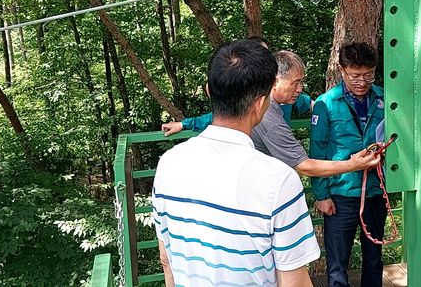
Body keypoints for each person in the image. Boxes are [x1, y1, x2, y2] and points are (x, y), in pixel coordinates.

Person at [151, 40, 320, 287]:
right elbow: (295, 283)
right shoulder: (279, 180)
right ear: (261, 104)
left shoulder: (168, 164)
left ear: (209, 90)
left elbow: (167, 260)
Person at [310, 42, 387, 287]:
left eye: (368, 74)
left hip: (375, 190)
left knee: (374, 257)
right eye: (355, 75)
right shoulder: (327, 103)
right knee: (337, 262)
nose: (362, 81)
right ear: (342, 70)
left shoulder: (384, 98)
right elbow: (318, 150)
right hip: (341, 193)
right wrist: (322, 195)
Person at [251, 50, 380, 176]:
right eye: (295, 83)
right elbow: (305, 167)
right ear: (275, 81)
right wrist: (353, 165)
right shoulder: (269, 117)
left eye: (301, 82)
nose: (300, 89)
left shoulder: (260, 103)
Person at [161, 37, 313, 135]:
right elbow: (222, 115)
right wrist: (183, 124)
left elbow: (312, 104)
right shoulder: (246, 92)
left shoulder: (288, 94)